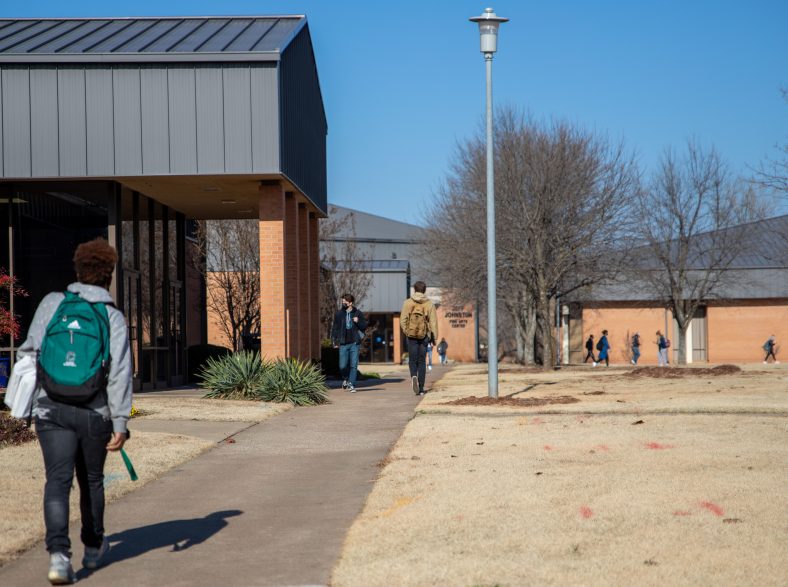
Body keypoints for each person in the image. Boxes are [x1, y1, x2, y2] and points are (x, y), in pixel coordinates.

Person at [17, 238, 132, 584]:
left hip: (51, 409)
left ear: (78, 271)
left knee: (58, 481)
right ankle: (94, 550)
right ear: (108, 276)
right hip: (94, 412)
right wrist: (121, 421)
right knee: (91, 480)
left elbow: (30, 352)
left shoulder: (53, 304)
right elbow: (120, 372)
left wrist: (28, 403)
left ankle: (58, 557)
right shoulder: (111, 316)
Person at [400, 281, 438, 395]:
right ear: (424, 290)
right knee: (422, 361)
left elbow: (403, 320)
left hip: (411, 336)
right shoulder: (429, 304)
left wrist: (407, 331)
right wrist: (434, 337)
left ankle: (414, 376)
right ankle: (421, 388)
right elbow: (433, 322)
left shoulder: (408, 303)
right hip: (424, 335)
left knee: (412, 360)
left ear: (414, 290)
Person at [331, 293, 367, 393]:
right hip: (343, 343)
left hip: (354, 343)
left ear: (350, 303)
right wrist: (334, 340)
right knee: (342, 366)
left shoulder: (358, 313)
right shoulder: (339, 314)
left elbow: (364, 326)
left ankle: (352, 384)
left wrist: (358, 321)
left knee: (353, 365)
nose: (343, 303)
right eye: (342, 302)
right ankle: (346, 379)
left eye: (345, 302)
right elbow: (335, 328)